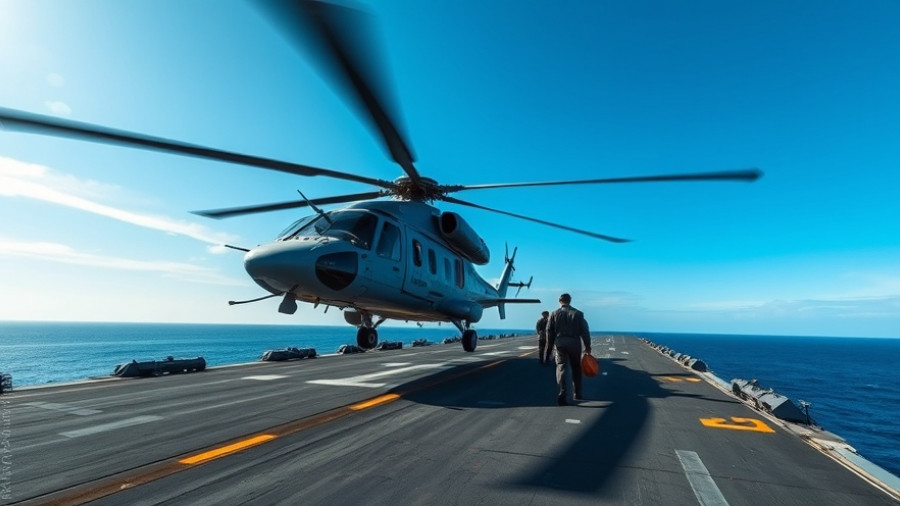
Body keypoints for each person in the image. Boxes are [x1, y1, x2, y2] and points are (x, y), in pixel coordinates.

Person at [544, 293, 591, 405]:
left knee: (561, 367)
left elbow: (549, 332)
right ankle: (577, 393)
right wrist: (588, 346)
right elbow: (585, 331)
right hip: (574, 342)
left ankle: (562, 391)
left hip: (560, 343)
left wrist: (548, 350)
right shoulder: (578, 314)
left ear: (559, 301)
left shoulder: (554, 314)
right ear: (570, 301)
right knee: (576, 368)